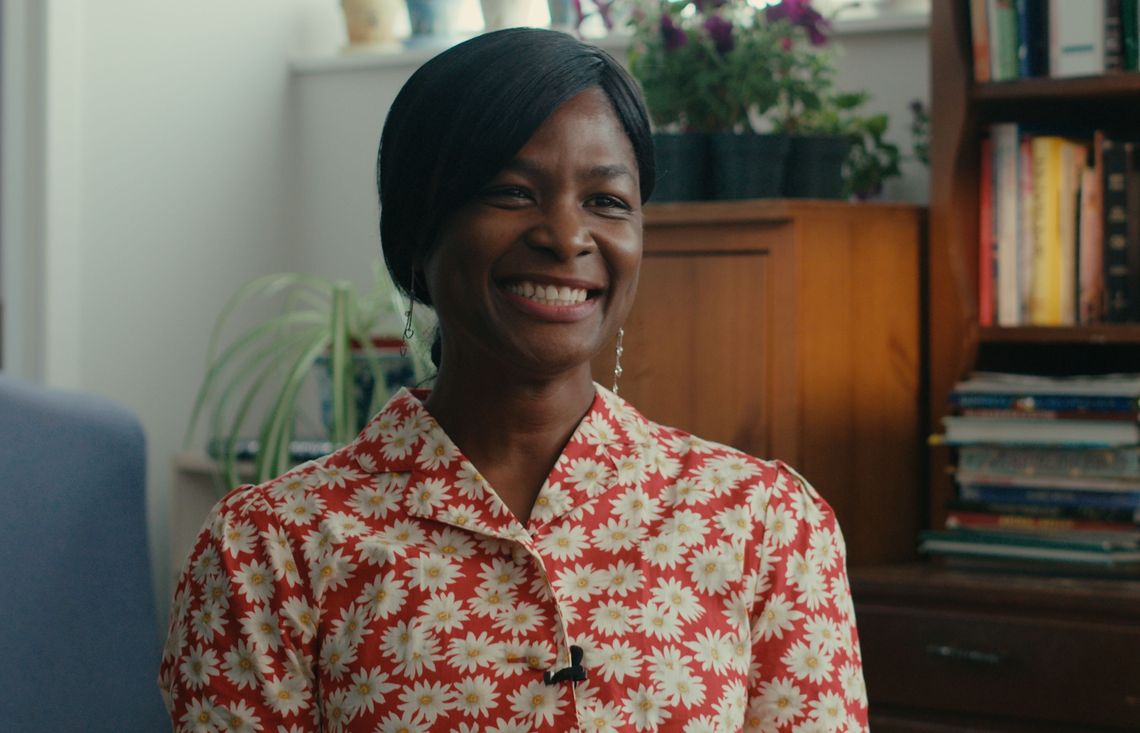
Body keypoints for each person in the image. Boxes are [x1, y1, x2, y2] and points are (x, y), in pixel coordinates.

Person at [160, 28, 868, 733]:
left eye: (607, 202)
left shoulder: (765, 524)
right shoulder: (268, 549)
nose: (566, 236)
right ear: (416, 237)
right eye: (510, 192)